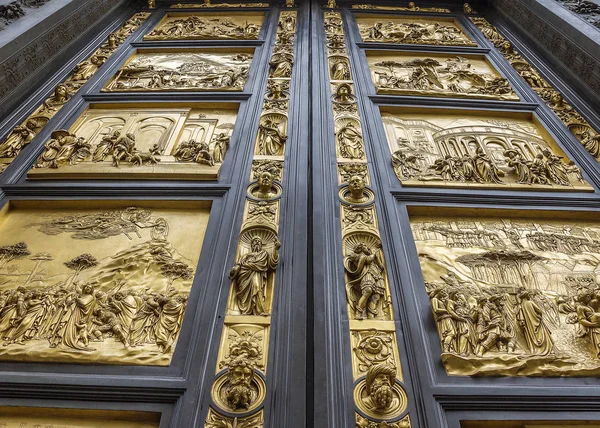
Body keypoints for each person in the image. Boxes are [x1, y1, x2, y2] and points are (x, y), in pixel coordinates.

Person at [229, 237, 280, 315]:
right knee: (246, 293)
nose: (257, 242)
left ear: (261, 245)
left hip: (256, 274)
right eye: (255, 241)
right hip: (245, 276)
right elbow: (239, 264)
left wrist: (276, 249)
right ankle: (245, 310)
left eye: (259, 241)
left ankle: (260, 310)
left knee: (256, 287)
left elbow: (272, 263)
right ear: (252, 244)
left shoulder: (264, 254)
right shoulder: (246, 255)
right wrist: (235, 270)